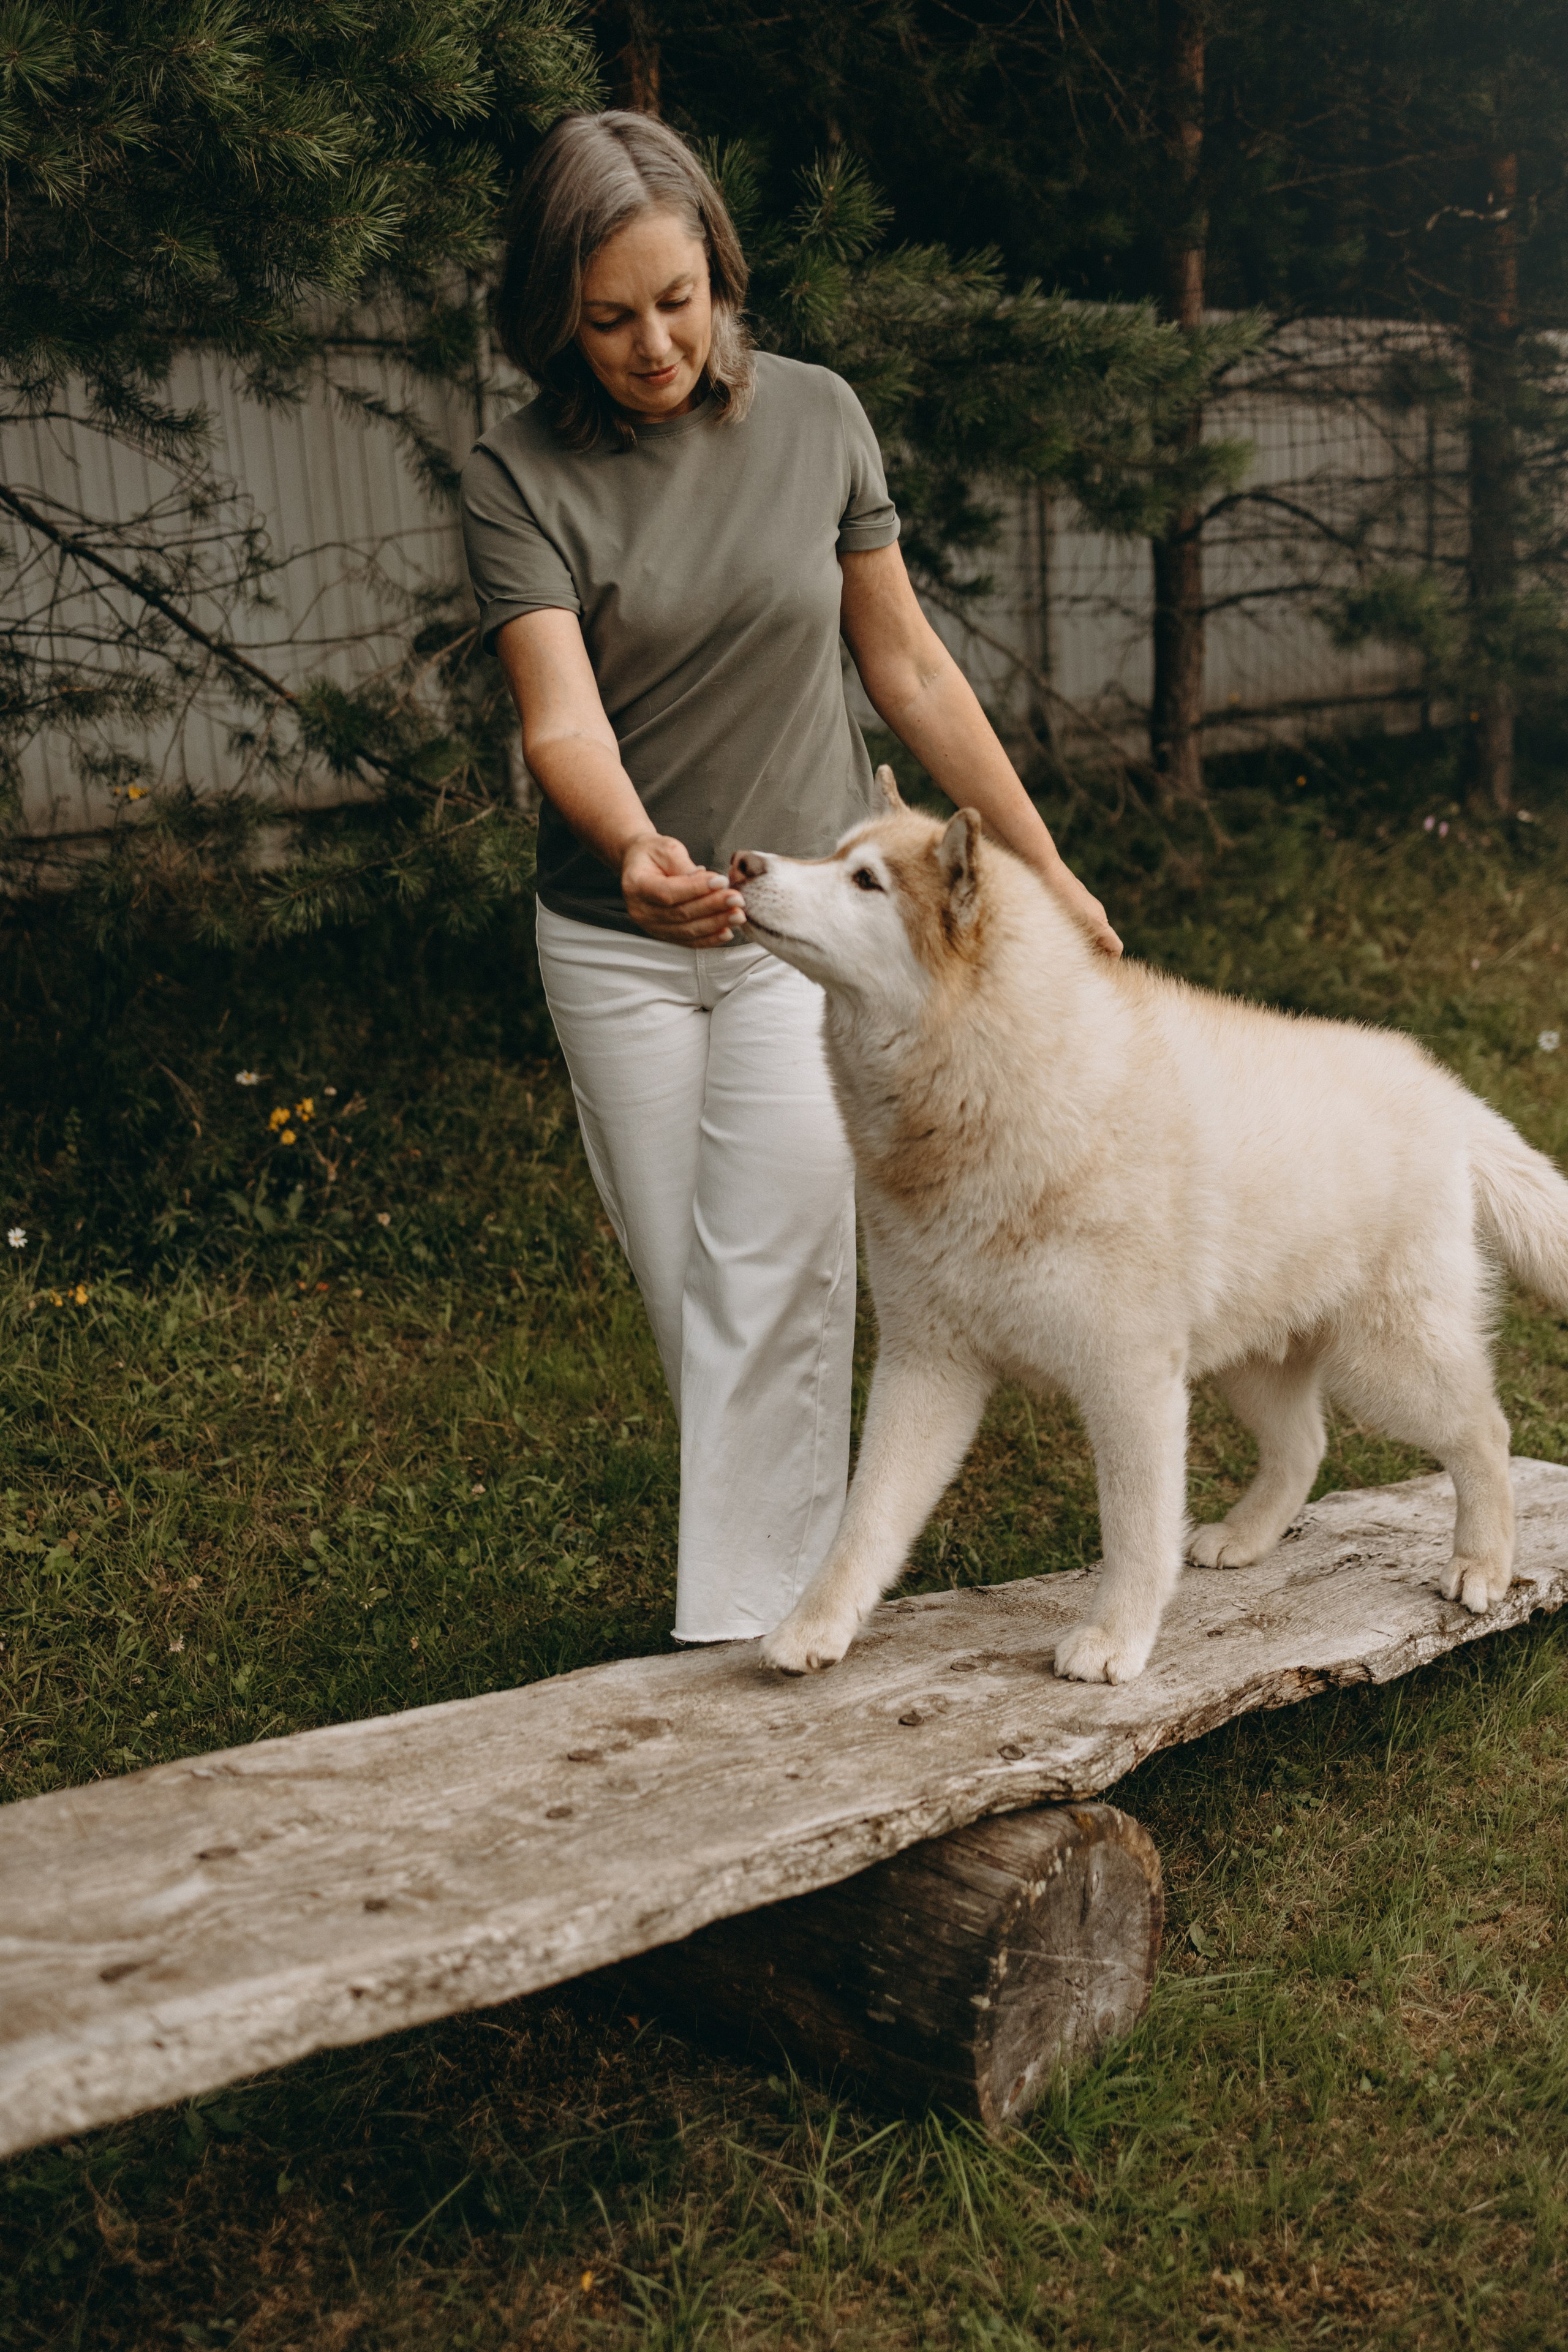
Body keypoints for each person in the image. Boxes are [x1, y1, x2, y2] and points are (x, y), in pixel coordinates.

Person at [461, 110, 1120, 1646]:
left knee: (772, 1279)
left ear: (718, 270)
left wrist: (1041, 864)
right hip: (613, 942)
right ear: (557, 310)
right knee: (695, 1306)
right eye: (609, 316)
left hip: (801, 937)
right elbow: (557, 715)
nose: (650, 344)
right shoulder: (517, 474)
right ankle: (806, 1589)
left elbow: (909, 671)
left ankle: (754, 1642)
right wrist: (635, 855)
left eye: (676, 301)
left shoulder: (820, 419)